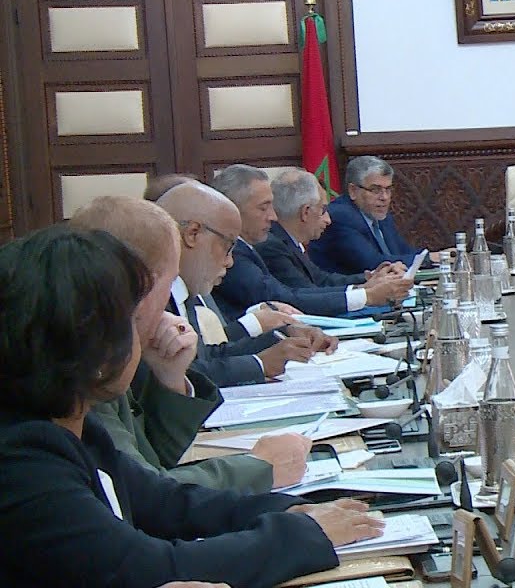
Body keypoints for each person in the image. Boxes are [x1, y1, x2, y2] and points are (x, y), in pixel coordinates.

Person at [0, 225, 384, 587]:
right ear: (94, 350)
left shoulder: (71, 428)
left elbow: (167, 503)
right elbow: (149, 567)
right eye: (134, 321)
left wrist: (285, 511)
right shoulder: (25, 465)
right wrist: (299, 536)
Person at [72, 196, 309, 493]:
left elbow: (152, 460)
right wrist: (260, 467)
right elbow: (144, 495)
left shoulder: (106, 347)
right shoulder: (86, 365)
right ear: (139, 287)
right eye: (169, 282)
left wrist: (170, 379)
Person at [158, 182, 331, 387]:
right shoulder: (152, 296)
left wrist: (283, 336)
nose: (230, 262)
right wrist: (259, 364)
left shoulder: (182, 289)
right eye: (228, 246)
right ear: (193, 234)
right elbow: (185, 373)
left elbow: (207, 355)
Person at [211, 164, 411, 319]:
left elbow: (320, 279)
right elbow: (287, 297)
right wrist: (367, 295)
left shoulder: (251, 246)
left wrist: (367, 281)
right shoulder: (244, 251)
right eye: (263, 208)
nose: (273, 216)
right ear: (233, 209)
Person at [257, 168, 412, 299]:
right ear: (305, 212)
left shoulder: (288, 241)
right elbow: (308, 296)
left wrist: (370, 278)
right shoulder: (272, 246)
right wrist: (366, 294)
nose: (328, 220)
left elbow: (322, 280)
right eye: (323, 210)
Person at [309, 156, 447, 274]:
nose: (384, 197)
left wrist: (439, 257)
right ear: (353, 191)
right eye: (375, 190)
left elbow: (403, 252)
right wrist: (430, 258)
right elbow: (374, 263)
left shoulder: (379, 215)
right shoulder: (340, 216)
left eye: (388, 189)